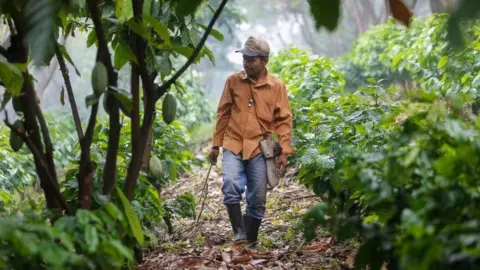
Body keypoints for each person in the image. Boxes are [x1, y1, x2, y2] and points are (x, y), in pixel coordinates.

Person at [208, 36, 294, 248]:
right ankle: (239, 234)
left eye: (251, 59)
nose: (245, 62)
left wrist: (284, 151)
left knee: (257, 198)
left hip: (259, 148)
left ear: (264, 61)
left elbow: (284, 120)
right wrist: (216, 145)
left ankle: (251, 240)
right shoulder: (233, 81)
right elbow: (223, 113)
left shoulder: (276, 87)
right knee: (230, 185)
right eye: (244, 58)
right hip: (233, 143)